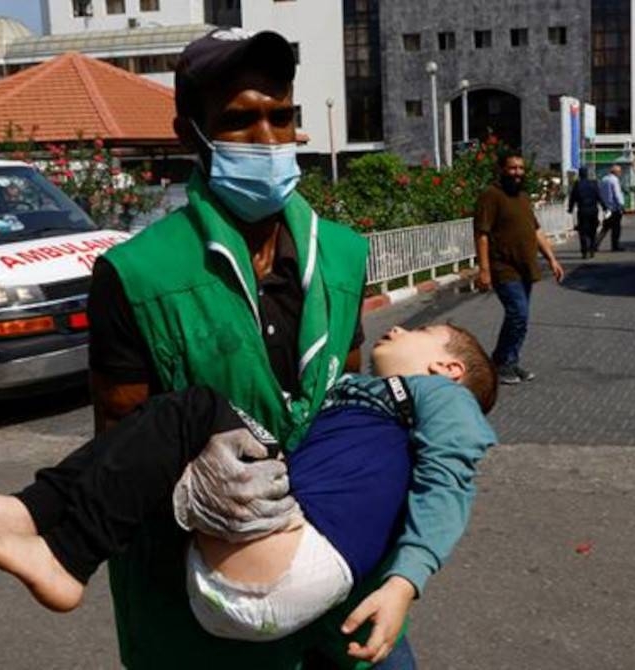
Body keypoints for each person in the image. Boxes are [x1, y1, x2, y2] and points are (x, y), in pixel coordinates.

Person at [85, 28, 418, 668]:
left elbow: (349, 406)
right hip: (207, 603)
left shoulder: (342, 253)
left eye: (280, 116)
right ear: (192, 135)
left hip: (333, 570)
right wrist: (184, 488)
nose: (267, 139)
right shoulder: (136, 274)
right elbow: (117, 445)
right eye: (239, 120)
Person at [0, 324, 497, 657]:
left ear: (447, 369)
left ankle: (63, 552)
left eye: (418, 331)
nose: (397, 328)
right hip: (246, 573)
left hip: (295, 561)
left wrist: (406, 581)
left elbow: (451, 475)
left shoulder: (443, 399)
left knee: (193, 409)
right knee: (178, 432)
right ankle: (29, 512)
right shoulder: (359, 396)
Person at [474, 150, 565, 386]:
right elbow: (482, 234)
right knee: (518, 314)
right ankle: (501, 362)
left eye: (521, 168)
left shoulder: (523, 197)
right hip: (503, 267)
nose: (517, 173)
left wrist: (552, 259)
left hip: (525, 267)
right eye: (513, 168)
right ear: (502, 169)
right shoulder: (491, 196)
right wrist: (484, 270)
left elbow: (536, 231)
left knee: (521, 319)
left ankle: (510, 361)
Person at [567, 166, 605, 259]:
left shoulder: (577, 184)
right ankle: (592, 249)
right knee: (593, 230)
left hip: (582, 210)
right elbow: (599, 196)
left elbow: (573, 198)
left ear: (579, 174)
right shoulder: (593, 183)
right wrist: (605, 207)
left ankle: (584, 251)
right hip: (593, 210)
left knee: (583, 231)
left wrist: (570, 209)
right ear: (587, 174)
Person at [597, 164, 625, 252]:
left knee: (605, 227)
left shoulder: (604, 179)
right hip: (615, 208)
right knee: (616, 228)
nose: (620, 173)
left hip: (606, 208)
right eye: (620, 172)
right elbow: (617, 194)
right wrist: (621, 205)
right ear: (616, 172)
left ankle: (595, 244)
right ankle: (615, 246)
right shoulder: (614, 180)